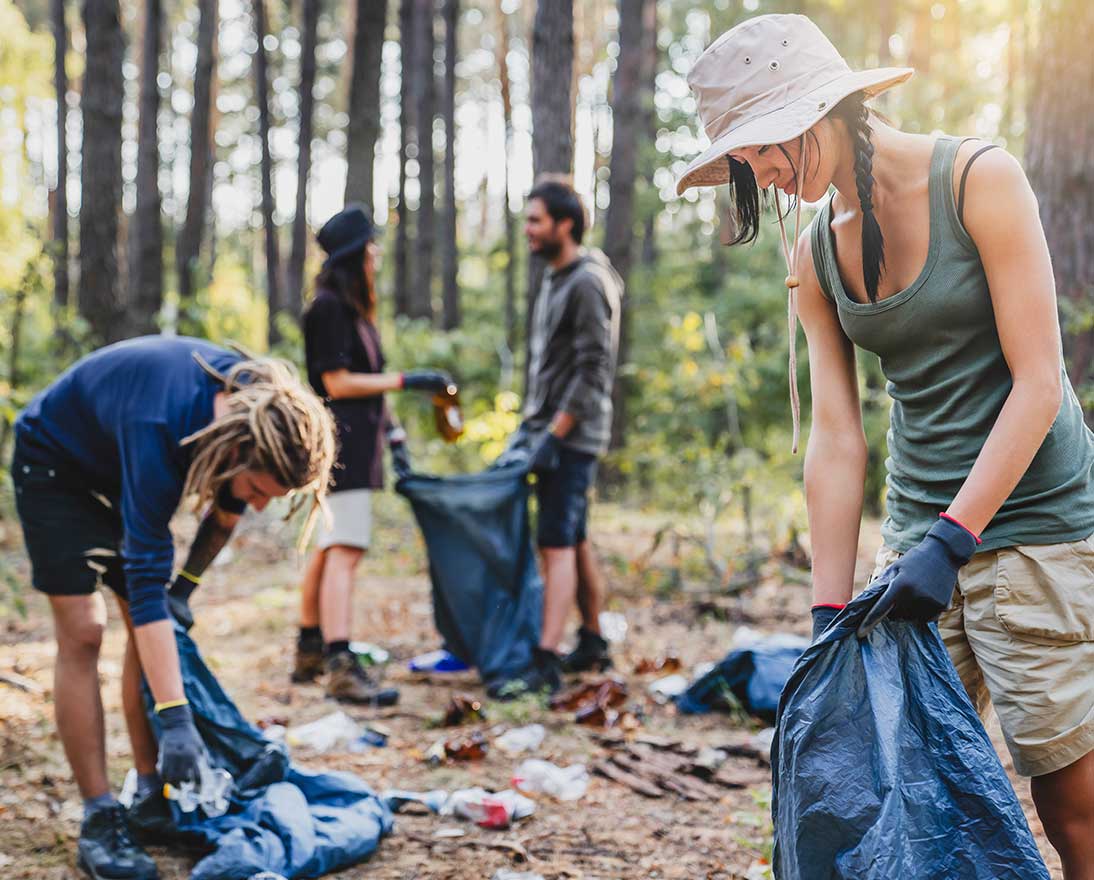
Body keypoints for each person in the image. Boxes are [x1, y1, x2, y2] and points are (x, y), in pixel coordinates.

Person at [676, 13, 1094, 876]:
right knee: (908, 791)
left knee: (1069, 798)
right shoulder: (814, 250)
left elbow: (1040, 382)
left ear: (831, 106)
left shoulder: (978, 178)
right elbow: (836, 436)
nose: (766, 169)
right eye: (747, 157)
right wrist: (830, 613)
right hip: (917, 541)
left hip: (1038, 526)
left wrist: (957, 536)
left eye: (770, 141)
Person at [10, 337, 335, 880]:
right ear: (237, 453)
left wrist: (182, 590)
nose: (258, 505)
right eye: (258, 489)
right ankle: (99, 815)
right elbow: (144, 591)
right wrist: (177, 720)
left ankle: (147, 792)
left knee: (151, 624)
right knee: (85, 632)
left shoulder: (254, 409)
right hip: (54, 462)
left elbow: (225, 512)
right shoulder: (161, 427)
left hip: (111, 462)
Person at [292, 203, 455, 703]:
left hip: (360, 443)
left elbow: (367, 386)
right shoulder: (328, 309)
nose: (377, 254)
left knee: (331, 546)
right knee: (346, 549)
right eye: (371, 246)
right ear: (355, 254)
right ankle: (341, 665)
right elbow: (337, 383)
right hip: (339, 447)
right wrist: (410, 381)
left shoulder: (353, 312)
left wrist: (395, 431)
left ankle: (311, 648)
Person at [494, 179, 622, 698]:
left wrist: (554, 435)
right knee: (573, 536)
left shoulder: (589, 281)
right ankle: (593, 639)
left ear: (564, 224)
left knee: (555, 544)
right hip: (546, 430)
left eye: (535, 220)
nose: (527, 229)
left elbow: (594, 368)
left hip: (570, 437)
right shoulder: (556, 276)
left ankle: (545, 660)